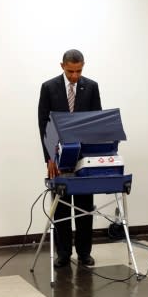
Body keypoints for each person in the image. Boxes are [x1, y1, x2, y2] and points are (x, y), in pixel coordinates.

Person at [38, 49, 102, 267]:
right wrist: (49, 158)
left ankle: (84, 252)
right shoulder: (49, 88)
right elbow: (43, 125)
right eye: (70, 71)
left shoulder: (91, 87)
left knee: (84, 206)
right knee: (62, 206)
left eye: (79, 71)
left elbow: (97, 123)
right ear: (62, 66)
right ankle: (63, 253)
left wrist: (94, 158)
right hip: (58, 155)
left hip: (84, 156)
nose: (75, 76)